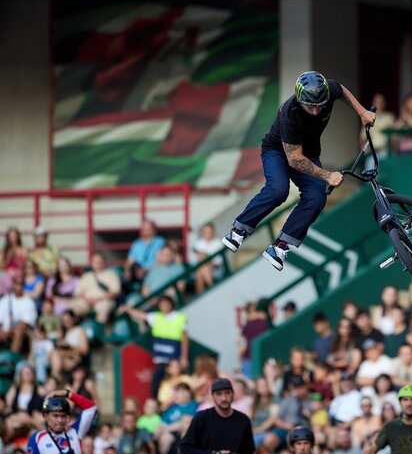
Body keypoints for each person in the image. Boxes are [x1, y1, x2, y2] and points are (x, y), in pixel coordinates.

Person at [222, 71, 376, 271]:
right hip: (277, 151)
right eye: (310, 106)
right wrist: (327, 175)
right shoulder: (290, 112)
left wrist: (362, 111)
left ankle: (280, 246)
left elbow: (342, 90)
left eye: (319, 106)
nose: (315, 111)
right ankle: (239, 230)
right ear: (300, 99)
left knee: (317, 196)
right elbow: (294, 160)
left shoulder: (327, 91)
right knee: (278, 190)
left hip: (308, 153)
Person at [121, 295, 188, 398]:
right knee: (158, 382)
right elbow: (140, 315)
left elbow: (184, 339)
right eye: (162, 304)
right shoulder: (156, 317)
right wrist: (128, 309)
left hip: (174, 358)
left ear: (171, 304)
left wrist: (184, 357)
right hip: (161, 358)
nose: (164, 306)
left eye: (166, 303)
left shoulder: (179, 317)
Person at [180, 378, 254, 454]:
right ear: (212, 396)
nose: (224, 398)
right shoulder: (201, 418)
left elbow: (249, 450)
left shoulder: (243, 420)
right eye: (219, 394)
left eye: (227, 393)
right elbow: (185, 449)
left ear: (233, 394)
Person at [27, 389, 98, 454]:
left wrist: (66, 394)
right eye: (55, 416)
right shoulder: (36, 438)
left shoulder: (76, 431)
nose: (60, 420)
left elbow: (91, 408)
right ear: (46, 416)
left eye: (63, 416)